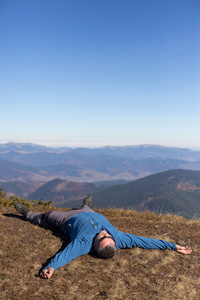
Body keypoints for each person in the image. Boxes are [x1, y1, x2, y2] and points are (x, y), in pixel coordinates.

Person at [14, 197, 192, 279]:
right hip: (89, 213)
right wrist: (174, 246)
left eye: (104, 237)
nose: (106, 233)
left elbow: (66, 255)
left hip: (68, 219)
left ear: (96, 246)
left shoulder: (83, 244)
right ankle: (85, 204)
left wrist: (50, 267)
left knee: (47, 216)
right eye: (108, 236)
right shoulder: (119, 239)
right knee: (87, 208)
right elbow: (146, 241)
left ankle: (28, 214)